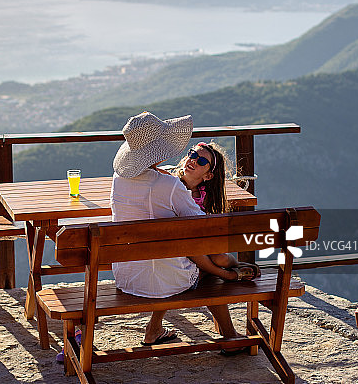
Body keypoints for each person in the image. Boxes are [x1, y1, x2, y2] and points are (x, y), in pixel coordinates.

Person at [110, 111, 258, 349]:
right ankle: (230, 335)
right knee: (207, 270)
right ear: (158, 150)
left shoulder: (118, 180)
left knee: (174, 257)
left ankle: (155, 328)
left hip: (127, 276)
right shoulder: (170, 185)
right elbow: (202, 228)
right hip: (164, 280)